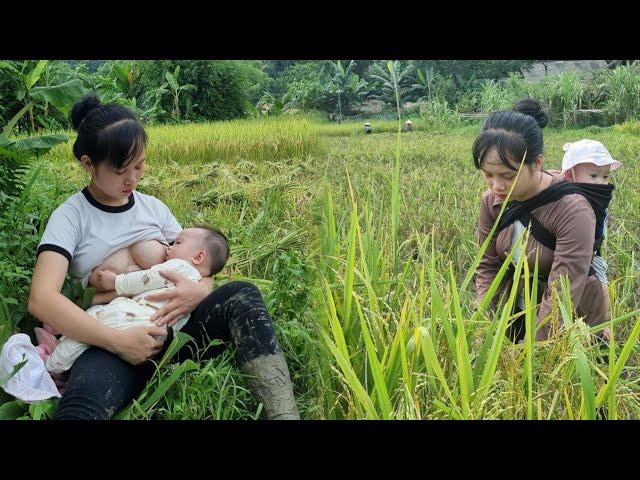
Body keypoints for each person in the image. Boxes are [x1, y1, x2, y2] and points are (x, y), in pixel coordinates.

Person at [27, 94, 300, 419]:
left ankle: (284, 414)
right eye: (120, 170)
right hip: (112, 336)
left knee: (243, 295)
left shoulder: (152, 208)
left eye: (139, 165)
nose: (133, 178)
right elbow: (41, 300)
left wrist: (201, 289)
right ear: (88, 164)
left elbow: (198, 262)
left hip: (177, 329)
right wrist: (117, 342)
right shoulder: (71, 217)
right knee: (82, 405)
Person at [473, 99, 613, 342]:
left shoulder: (572, 210)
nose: (496, 185)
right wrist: (483, 322)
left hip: (574, 316)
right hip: (519, 305)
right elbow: (488, 266)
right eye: (488, 175)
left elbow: (562, 294)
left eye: (508, 175)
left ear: (537, 163)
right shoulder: (492, 201)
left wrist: (531, 350)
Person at [36, 227, 228, 374]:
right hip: (155, 330)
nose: (170, 246)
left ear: (199, 256)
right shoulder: (189, 276)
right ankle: (63, 353)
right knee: (94, 320)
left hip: (134, 316)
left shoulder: (178, 266)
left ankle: (51, 363)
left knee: (92, 322)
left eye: (177, 242)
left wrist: (116, 281)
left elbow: (145, 280)